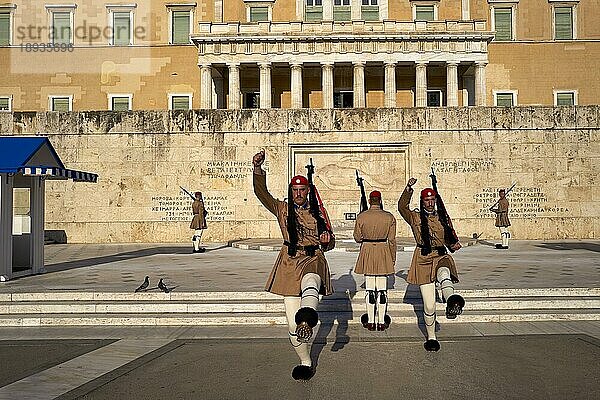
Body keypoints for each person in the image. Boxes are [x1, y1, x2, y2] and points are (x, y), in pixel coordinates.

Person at [252, 150, 335, 381]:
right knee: (291, 324)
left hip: (313, 259)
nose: (298, 194)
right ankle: (305, 361)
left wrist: (327, 241)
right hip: (289, 262)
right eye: (295, 190)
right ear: (292, 191)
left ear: (308, 191)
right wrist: (258, 169)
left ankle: (307, 316)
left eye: (302, 190)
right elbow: (262, 193)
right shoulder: (281, 208)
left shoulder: (319, 212)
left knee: (311, 283)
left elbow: (331, 238)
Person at [398, 177, 465, 352]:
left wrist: (453, 244)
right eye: (427, 199)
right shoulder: (414, 217)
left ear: (435, 200)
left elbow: (449, 237)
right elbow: (401, 207)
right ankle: (432, 337)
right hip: (423, 257)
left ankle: (452, 300)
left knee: (444, 272)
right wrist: (408, 189)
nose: (429, 202)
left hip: (440, 254)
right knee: (429, 305)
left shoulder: (443, 217)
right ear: (422, 201)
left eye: (432, 199)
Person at [353, 190, 397, 331]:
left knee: (370, 289)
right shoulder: (389, 217)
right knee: (382, 291)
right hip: (383, 250)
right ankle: (382, 321)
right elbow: (392, 240)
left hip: (367, 250)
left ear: (370, 200)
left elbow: (357, 238)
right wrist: (392, 257)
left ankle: (371, 321)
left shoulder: (362, 216)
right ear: (380, 200)